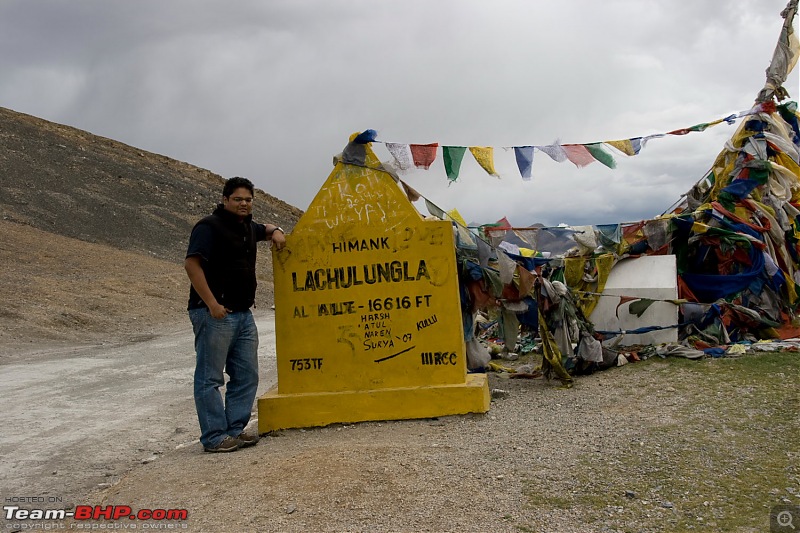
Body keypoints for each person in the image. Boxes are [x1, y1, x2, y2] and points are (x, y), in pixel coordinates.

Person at [184, 176, 286, 453]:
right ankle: (214, 437)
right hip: (214, 314)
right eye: (238, 199)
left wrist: (276, 230)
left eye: (248, 199)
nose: (244, 203)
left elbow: (264, 229)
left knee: (246, 375)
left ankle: (234, 430)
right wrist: (212, 304)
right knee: (210, 378)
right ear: (225, 199)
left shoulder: (247, 227)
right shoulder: (209, 227)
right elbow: (192, 265)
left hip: (243, 315)